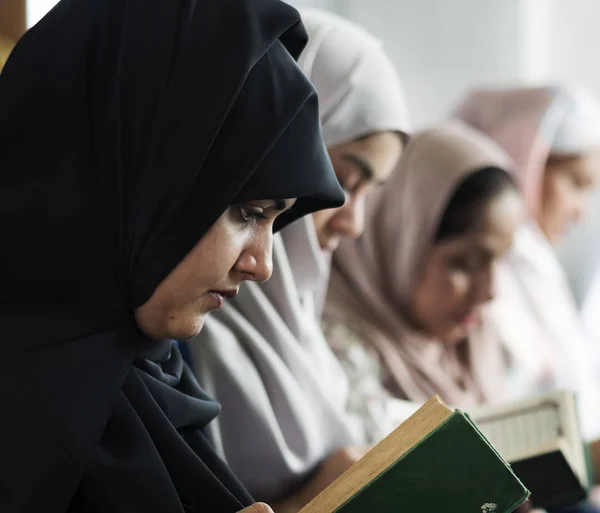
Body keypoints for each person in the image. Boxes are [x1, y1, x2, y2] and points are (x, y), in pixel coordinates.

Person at [0, 0, 346, 511]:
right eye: (248, 213)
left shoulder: (153, 381)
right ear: (133, 181)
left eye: (277, 221)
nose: (262, 265)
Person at [186, 9, 408, 512]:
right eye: (344, 181)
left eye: (372, 193)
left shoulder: (307, 330)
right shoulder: (180, 331)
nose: (355, 224)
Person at [323, 122, 522, 442]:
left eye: (501, 260)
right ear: (397, 240)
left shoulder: (473, 344)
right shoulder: (335, 353)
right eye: (466, 263)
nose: (490, 292)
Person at [454, 85, 600, 441]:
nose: (581, 212)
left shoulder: (540, 270)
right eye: (575, 183)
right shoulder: (476, 279)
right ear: (526, 161)